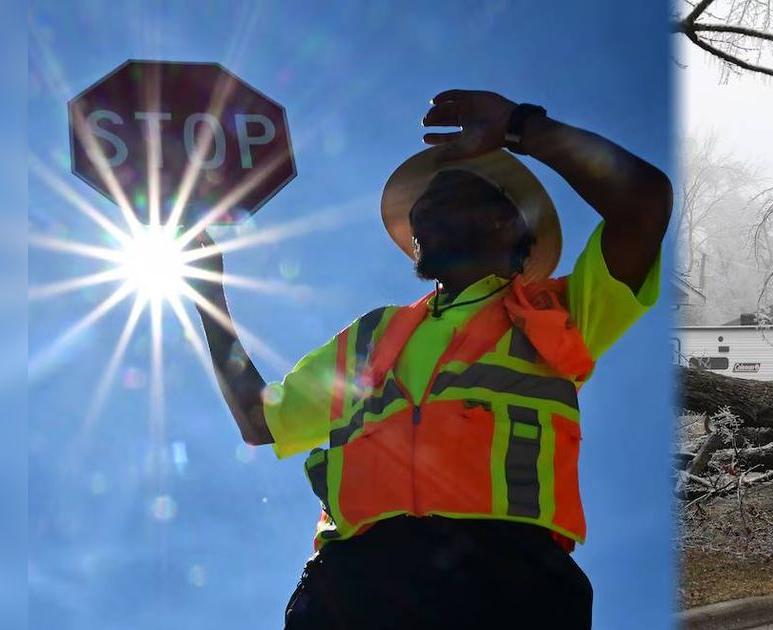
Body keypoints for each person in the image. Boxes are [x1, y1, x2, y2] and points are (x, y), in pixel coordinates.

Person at [188, 89, 672, 629]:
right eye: (423, 204)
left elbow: (644, 203)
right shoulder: (369, 335)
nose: (422, 209)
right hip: (352, 588)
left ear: (508, 224)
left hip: (510, 584)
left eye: (450, 193)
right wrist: (209, 297)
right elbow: (261, 421)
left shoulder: (559, 312)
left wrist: (520, 126)